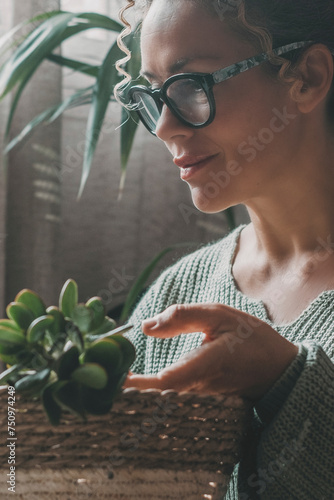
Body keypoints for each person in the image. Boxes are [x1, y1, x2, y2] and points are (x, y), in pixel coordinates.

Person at [115, 1, 334, 498]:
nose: (166, 127)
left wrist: (286, 378)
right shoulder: (177, 291)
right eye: (151, 96)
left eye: (192, 85)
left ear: (308, 77)